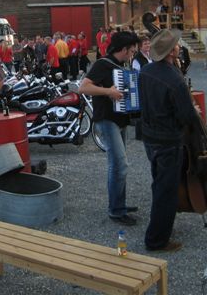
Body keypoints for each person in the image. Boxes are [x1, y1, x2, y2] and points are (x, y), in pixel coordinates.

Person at [139, 28, 200, 252]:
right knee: (166, 191)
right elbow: (186, 116)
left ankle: (161, 227)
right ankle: (156, 240)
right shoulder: (175, 79)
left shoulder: (145, 70)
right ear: (171, 51)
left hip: (150, 136)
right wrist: (194, 111)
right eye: (176, 44)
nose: (179, 46)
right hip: (168, 140)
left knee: (159, 183)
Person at [79, 31, 141, 226]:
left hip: (120, 119)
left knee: (118, 165)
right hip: (106, 119)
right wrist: (108, 92)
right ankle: (116, 210)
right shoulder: (102, 64)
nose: (133, 54)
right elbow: (83, 87)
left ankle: (119, 204)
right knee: (119, 165)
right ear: (124, 49)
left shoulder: (122, 66)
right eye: (132, 51)